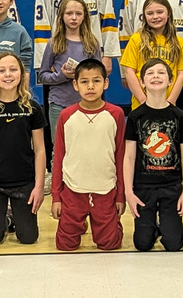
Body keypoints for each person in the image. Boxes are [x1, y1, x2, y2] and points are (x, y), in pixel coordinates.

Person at [0, 52, 46, 246]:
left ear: (22, 74)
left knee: (29, 238)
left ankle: (12, 217)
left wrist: (38, 187)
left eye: (13, 69)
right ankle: (2, 218)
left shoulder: (32, 108)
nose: (8, 75)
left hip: (24, 183)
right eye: (2, 70)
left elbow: (39, 150)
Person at [50, 58, 126, 251]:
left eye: (96, 81)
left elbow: (120, 157)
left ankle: (104, 222)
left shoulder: (115, 114)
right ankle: (80, 222)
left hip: (105, 190)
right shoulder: (66, 116)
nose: (90, 86)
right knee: (65, 246)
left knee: (110, 245)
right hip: (73, 191)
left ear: (106, 83)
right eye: (84, 82)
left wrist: (120, 196)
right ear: (75, 84)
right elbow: (58, 157)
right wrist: (56, 197)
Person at [123, 59, 183, 252]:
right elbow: (129, 157)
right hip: (144, 187)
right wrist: (129, 192)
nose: (156, 76)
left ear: (170, 80)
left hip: (171, 185)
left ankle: (172, 228)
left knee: (173, 245)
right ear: (142, 82)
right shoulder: (136, 117)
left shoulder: (179, 116)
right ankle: (152, 228)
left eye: (161, 73)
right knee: (142, 244)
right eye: (150, 73)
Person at [37, 0, 103, 132]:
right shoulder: (54, 43)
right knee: (60, 147)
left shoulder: (92, 43)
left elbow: (99, 76)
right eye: (69, 13)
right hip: (59, 104)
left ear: (84, 16)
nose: (74, 17)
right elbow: (43, 75)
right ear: (61, 16)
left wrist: (86, 77)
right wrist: (62, 75)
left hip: (87, 103)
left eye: (78, 13)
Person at [120, 0, 183, 109]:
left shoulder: (179, 42)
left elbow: (181, 75)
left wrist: (170, 102)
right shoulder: (136, 39)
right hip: (141, 103)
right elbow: (129, 72)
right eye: (150, 13)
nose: (155, 16)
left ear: (168, 14)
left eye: (160, 12)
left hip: (169, 103)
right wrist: (143, 101)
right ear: (144, 17)